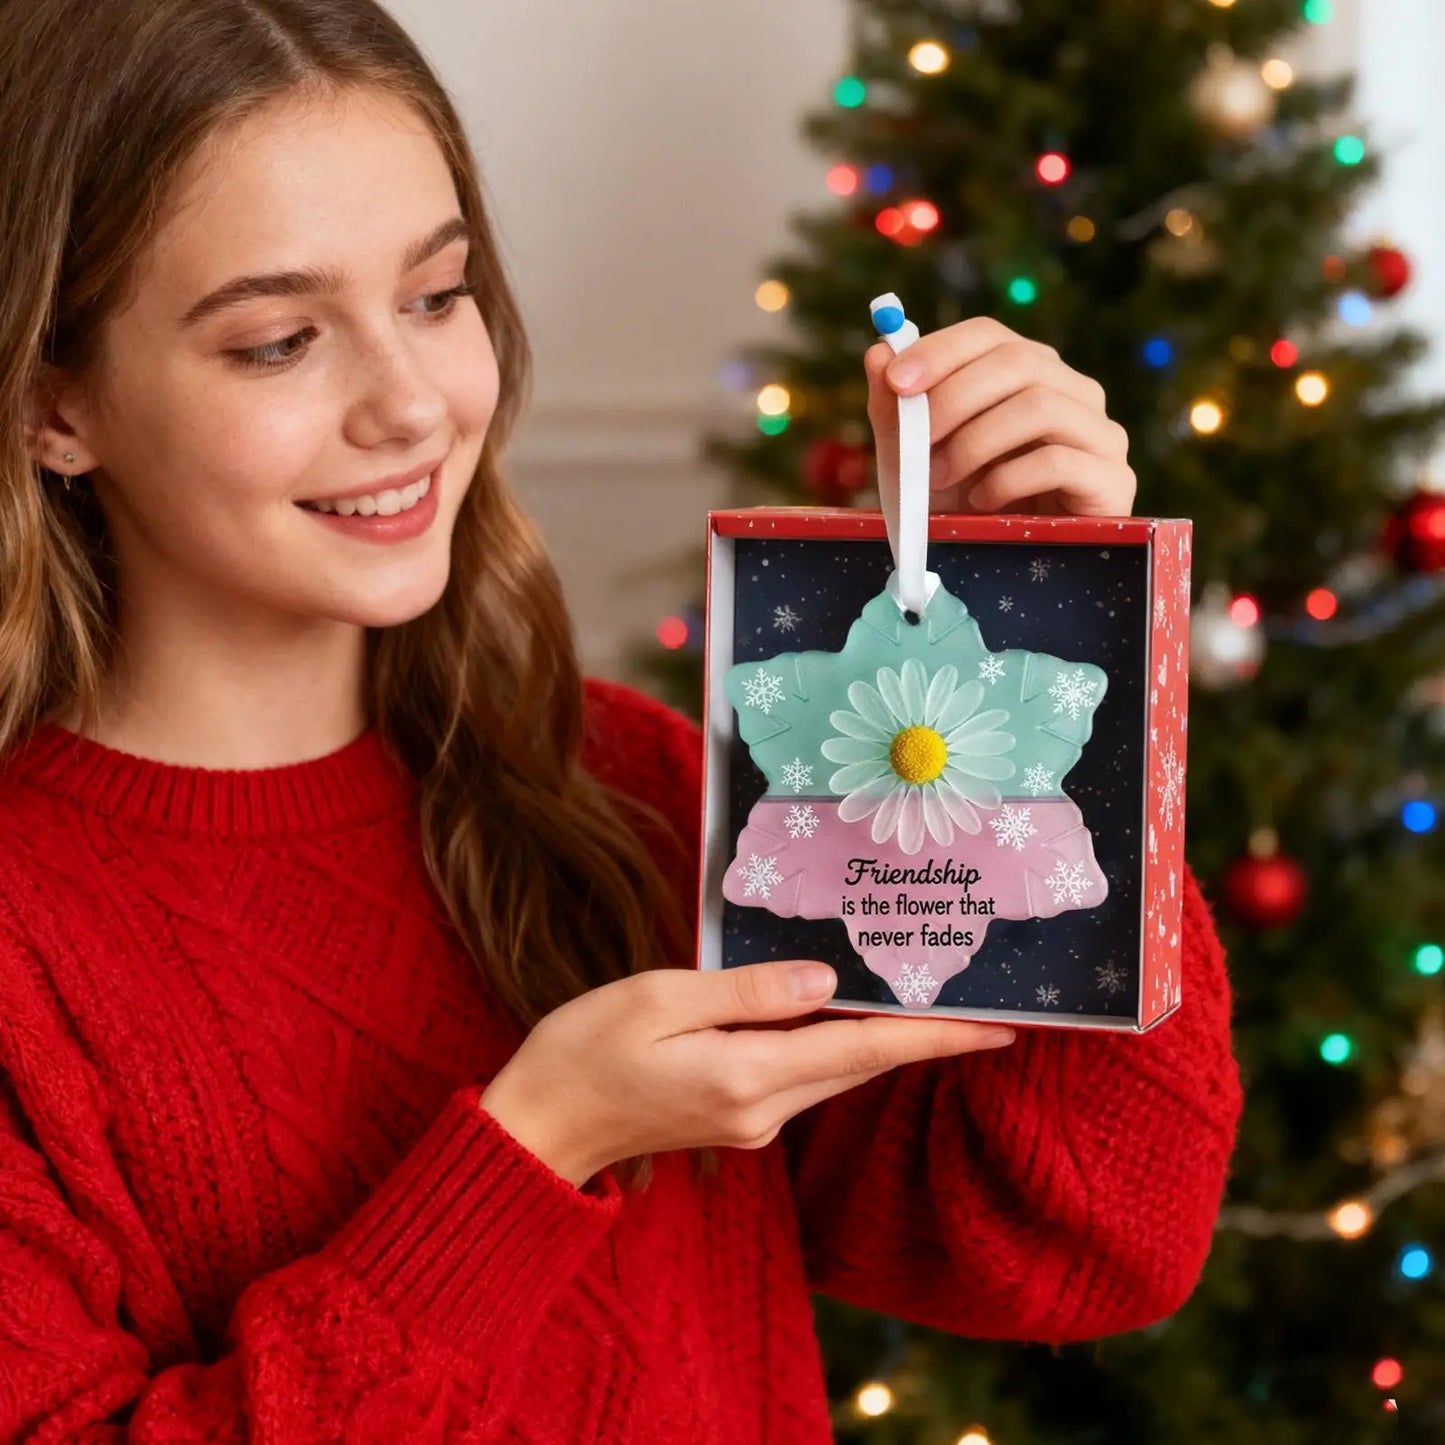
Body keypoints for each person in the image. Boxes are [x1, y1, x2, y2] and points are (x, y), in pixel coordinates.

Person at [0, 1, 1243, 1440]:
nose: (409, 404)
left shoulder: (640, 794)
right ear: (54, 405)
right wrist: (539, 1149)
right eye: (279, 341)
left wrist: (1042, 652)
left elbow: (1085, 1243)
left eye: (435, 294)